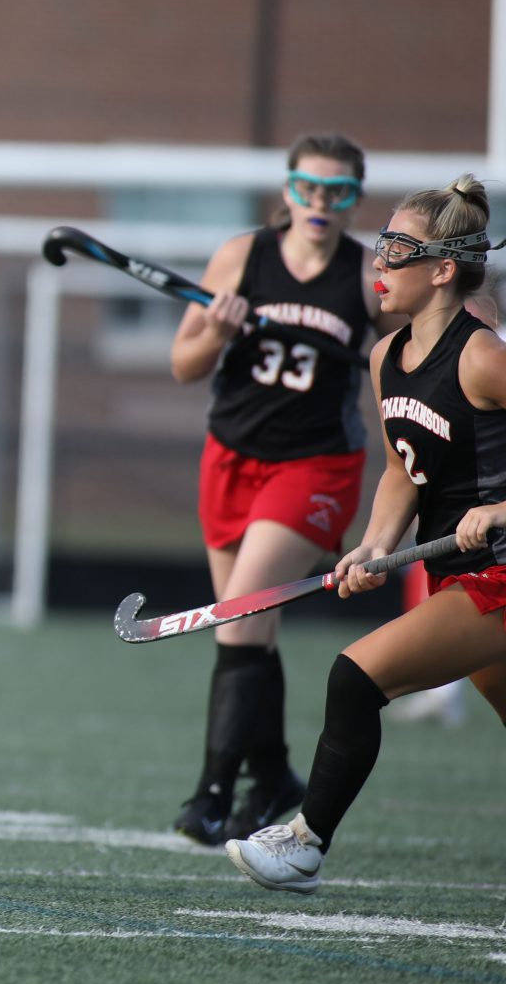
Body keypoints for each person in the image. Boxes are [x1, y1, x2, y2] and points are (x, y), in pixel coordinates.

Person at [227, 175, 506, 893]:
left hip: (498, 572)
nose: (378, 261)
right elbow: (402, 471)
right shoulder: (388, 357)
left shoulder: (483, 358)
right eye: (381, 243)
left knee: (355, 675)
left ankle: (305, 842)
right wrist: (376, 544)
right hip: (454, 569)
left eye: (398, 248)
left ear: (444, 268)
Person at [166, 134, 401, 846]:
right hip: (231, 457)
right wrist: (216, 329)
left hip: (314, 468)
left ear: (356, 198)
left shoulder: (368, 277)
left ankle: (210, 794)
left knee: (237, 617)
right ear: (288, 189)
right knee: (251, 632)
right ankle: (272, 776)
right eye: (308, 189)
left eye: (339, 193)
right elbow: (184, 363)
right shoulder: (243, 257)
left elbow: (406, 364)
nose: (321, 205)